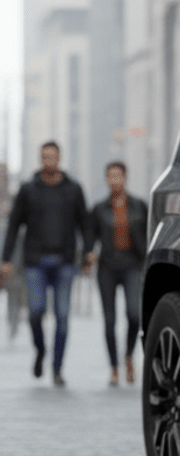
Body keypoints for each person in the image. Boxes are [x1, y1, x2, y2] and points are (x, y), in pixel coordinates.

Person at [0, 142, 91, 386]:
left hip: (64, 262)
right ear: (40, 159)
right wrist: (6, 259)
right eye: (44, 156)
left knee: (62, 317)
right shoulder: (29, 189)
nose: (49, 160)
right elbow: (14, 225)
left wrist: (89, 253)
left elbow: (84, 223)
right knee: (35, 312)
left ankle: (57, 368)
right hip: (35, 262)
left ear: (59, 158)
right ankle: (40, 350)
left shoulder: (73, 189)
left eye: (53, 156)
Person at [87, 162, 147, 386]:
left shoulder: (139, 206)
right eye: (110, 176)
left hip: (132, 264)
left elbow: (148, 232)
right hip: (108, 267)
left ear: (125, 177)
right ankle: (114, 367)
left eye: (118, 176)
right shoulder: (99, 208)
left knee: (134, 314)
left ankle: (129, 357)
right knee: (109, 320)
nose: (114, 180)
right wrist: (89, 253)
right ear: (106, 179)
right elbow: (90, 236)